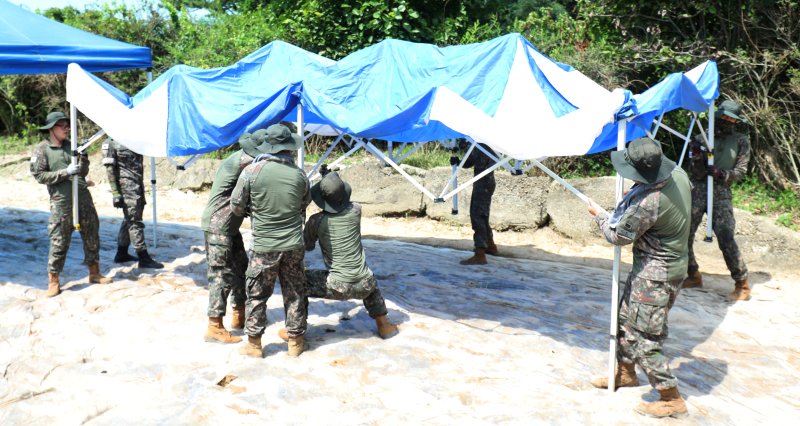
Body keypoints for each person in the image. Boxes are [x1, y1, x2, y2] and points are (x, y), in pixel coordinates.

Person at [586, 137, 691, 419]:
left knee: (643, 337)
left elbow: (618, 235)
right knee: (623, 319)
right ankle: (624, 371)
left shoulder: (649, 203)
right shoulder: (678, 174)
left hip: (657, 275)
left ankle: (671, 397)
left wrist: (599, 216)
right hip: (653, 269)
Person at [276, 170, 398, 342]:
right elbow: (341, 198)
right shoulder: (356, 210)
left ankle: (295, 334)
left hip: (337, 285)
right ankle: (383, 325)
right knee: (366, 275)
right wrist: (331, 180)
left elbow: (308, 246)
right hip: (365, 284)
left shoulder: (316, 221)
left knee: (298, 281)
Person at [231, 124, 311, 358]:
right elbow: (304, 203)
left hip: (264, 245)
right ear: (288, 148)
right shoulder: (299, 174)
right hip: (293, 244)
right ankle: (295, 342)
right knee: (295, 292)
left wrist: (253, 210)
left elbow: (236, 206)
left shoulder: (251, 172)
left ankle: (254, 344)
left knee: (257, 294)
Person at [30, 111, 112, 297]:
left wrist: (83, 157)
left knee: (92, 235)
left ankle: (94, 272)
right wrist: (65, 172)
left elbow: (82, 172)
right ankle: (53, 281)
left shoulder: (72, 146)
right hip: (62, 202)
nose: (67, 129)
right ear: (52, 128)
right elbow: (39, 176)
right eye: (62, 125)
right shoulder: (43, 149)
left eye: (68, 125)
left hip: (83, 198)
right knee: (59, 240)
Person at [200, 132, 269, 344]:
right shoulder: (245, 161)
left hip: (228, 225)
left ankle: (239, 312)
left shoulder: (241, 157)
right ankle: (214, 326)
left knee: (241, 266)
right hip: (218, 225)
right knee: (221, 273)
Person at [682, 99, 751, 301]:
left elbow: (740, 171)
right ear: (718, 115)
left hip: (721, 193)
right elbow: (692, 168)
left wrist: (722, 174)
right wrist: (697, 157)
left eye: (732, 118)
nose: (728, 120)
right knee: (684, 232)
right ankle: (692, 274)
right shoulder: (702, 137)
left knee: (725, 235)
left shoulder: (740, 141)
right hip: (698, 190)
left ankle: (742, 283)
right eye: (725, 116)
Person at [103, 139, 163, 269]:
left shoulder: (133, 138)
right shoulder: (111, 142)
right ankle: (143, 257)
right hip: (126, 189)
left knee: (129, 219)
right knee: (134, 221)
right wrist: (115, 193)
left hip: (137, 186)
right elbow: (109, 170)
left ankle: (121, 253)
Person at [460, 142, 498, 265]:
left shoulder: (482, 143)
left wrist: (464, 147)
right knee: (483, 215)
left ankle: (480, 254)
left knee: (478, 215)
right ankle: (490, 246)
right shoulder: (488, 142)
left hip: (483, 183)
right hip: (486, 181)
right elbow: (469, 161)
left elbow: (470, 160)